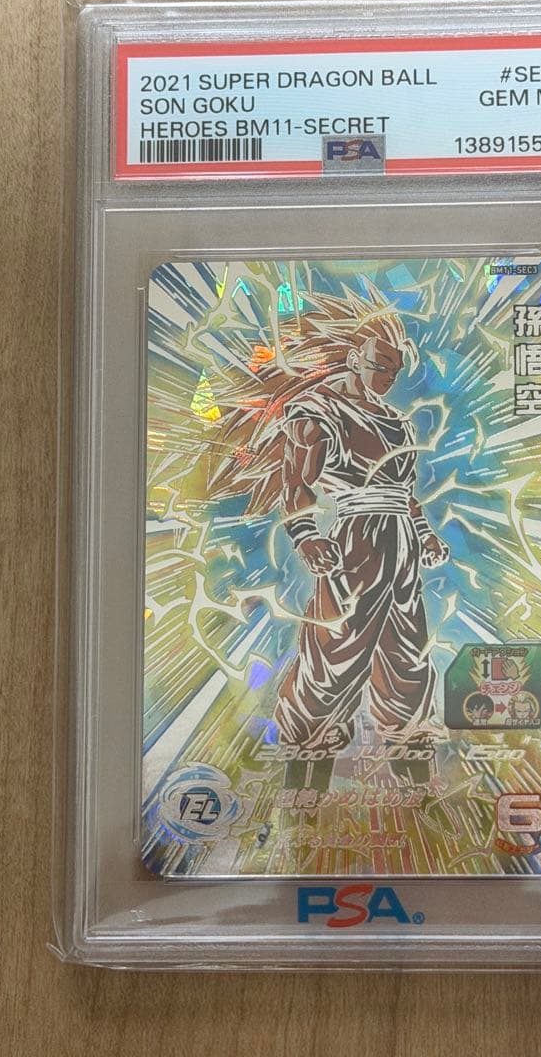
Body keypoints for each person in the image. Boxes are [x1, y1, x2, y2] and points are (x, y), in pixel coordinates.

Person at [203, 283, 448, 791]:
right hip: (356, 541)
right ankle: (305, 776)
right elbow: (296, 484)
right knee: (334, 652)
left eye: (395, 371)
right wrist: (306, 535)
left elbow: (405, 491)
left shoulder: (396, 421)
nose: (387, 379)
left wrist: (424, 533)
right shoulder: (317, 411)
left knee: (408, 655)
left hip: (401, 545)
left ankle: (415, 777)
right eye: (380, 366)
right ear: (356, 357)